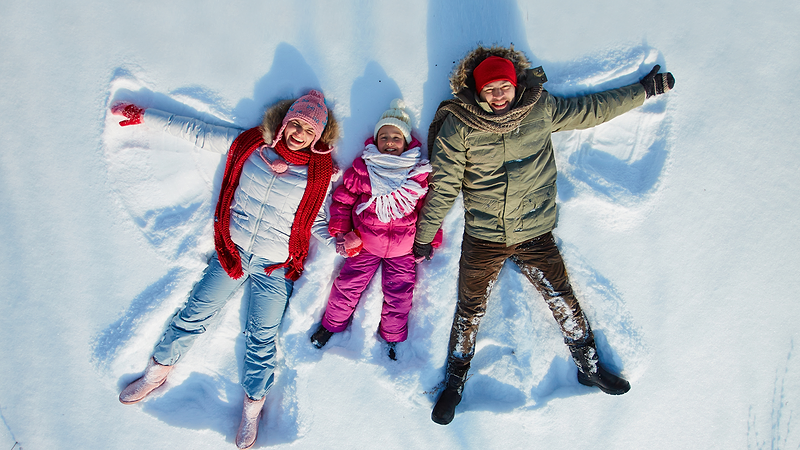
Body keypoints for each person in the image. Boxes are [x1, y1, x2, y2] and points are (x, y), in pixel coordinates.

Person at [413, 45, 675, 425]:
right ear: (477, 91)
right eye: (490, 89)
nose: (498, 95)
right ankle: (455, 382)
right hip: (484, 236)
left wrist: (645, 90)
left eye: (504, 86)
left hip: (534, 230)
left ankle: (588, 364)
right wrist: (425, 235)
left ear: (516, 84)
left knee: (562, 297)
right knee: (470, 308)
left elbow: (592, 109)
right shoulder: (460, 125)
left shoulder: (539, 108)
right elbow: (445, 185)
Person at [111, 90, 339, 449]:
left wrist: (341, 243)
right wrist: (145, 116)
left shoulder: (319, 175)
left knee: (261, 338)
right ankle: (157, 372)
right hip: (232, 251)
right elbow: (198, 132)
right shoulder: (250, 145)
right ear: (283, 122)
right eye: (294, 123)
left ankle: (252, 407)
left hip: (274, 266)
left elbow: (319, 221)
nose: (298, 133)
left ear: (318, 136)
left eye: (307, 130)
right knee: (195, 313)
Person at [309, 99, 441, 360]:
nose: (390, 142)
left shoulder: (417, 173)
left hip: (403, 249)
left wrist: (430, 239)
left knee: (399, 294)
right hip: (365, 243)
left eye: (396, 137)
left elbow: (428, 209)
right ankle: (331, 325)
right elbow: (344, 198)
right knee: (347, 286)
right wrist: (341, 229)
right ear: (376, 140)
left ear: (406, 141)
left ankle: (392, 337)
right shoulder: (364, 168)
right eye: (384, 137)